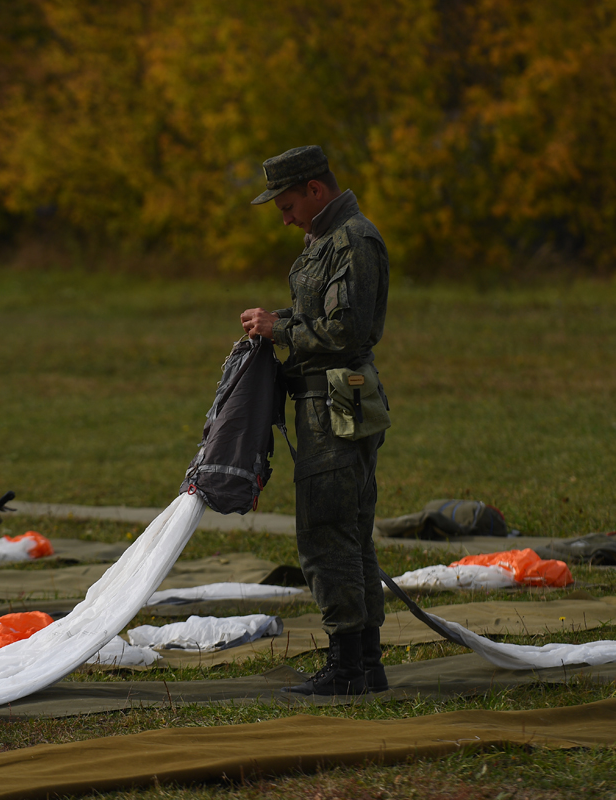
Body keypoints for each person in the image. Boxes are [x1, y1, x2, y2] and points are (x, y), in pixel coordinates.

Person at [241, 145, 391, 695]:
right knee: (348, 535)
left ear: (315, 191)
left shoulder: (352, 240)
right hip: (324, 403)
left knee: (328, 535)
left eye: (286, 205)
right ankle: (364, 663)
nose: (283, 217)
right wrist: (280, 321)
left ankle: (348, 666)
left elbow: (345, 333)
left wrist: (277, 330)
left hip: (337, 406)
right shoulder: (325, 239)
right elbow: (321, 317)